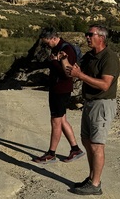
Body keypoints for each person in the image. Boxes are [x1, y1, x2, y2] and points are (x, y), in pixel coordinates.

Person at [67, 24, 120, 195]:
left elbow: (105, 85)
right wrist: (62, 59)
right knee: (87, 141)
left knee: (97, 145)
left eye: (90, 34)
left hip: (102, 104)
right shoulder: (90, 56)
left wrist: (80, 76)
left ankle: (96, 184)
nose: (87, 37)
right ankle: (91, 178)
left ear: (101, 37)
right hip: (90, 103)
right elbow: (72, 71)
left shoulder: (109, 58)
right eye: (86, 34)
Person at [32, 27, 84, 165]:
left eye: (46, 42)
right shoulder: (59, 48)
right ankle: (75, 149)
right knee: (62, 120)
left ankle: (51, 154)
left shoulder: (65, 50)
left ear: (53, 38)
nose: (46, 45)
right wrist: (53, 60)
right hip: (59, 89)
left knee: (56, 122)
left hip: (61, 89)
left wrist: (54, 61)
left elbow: (67, 73)